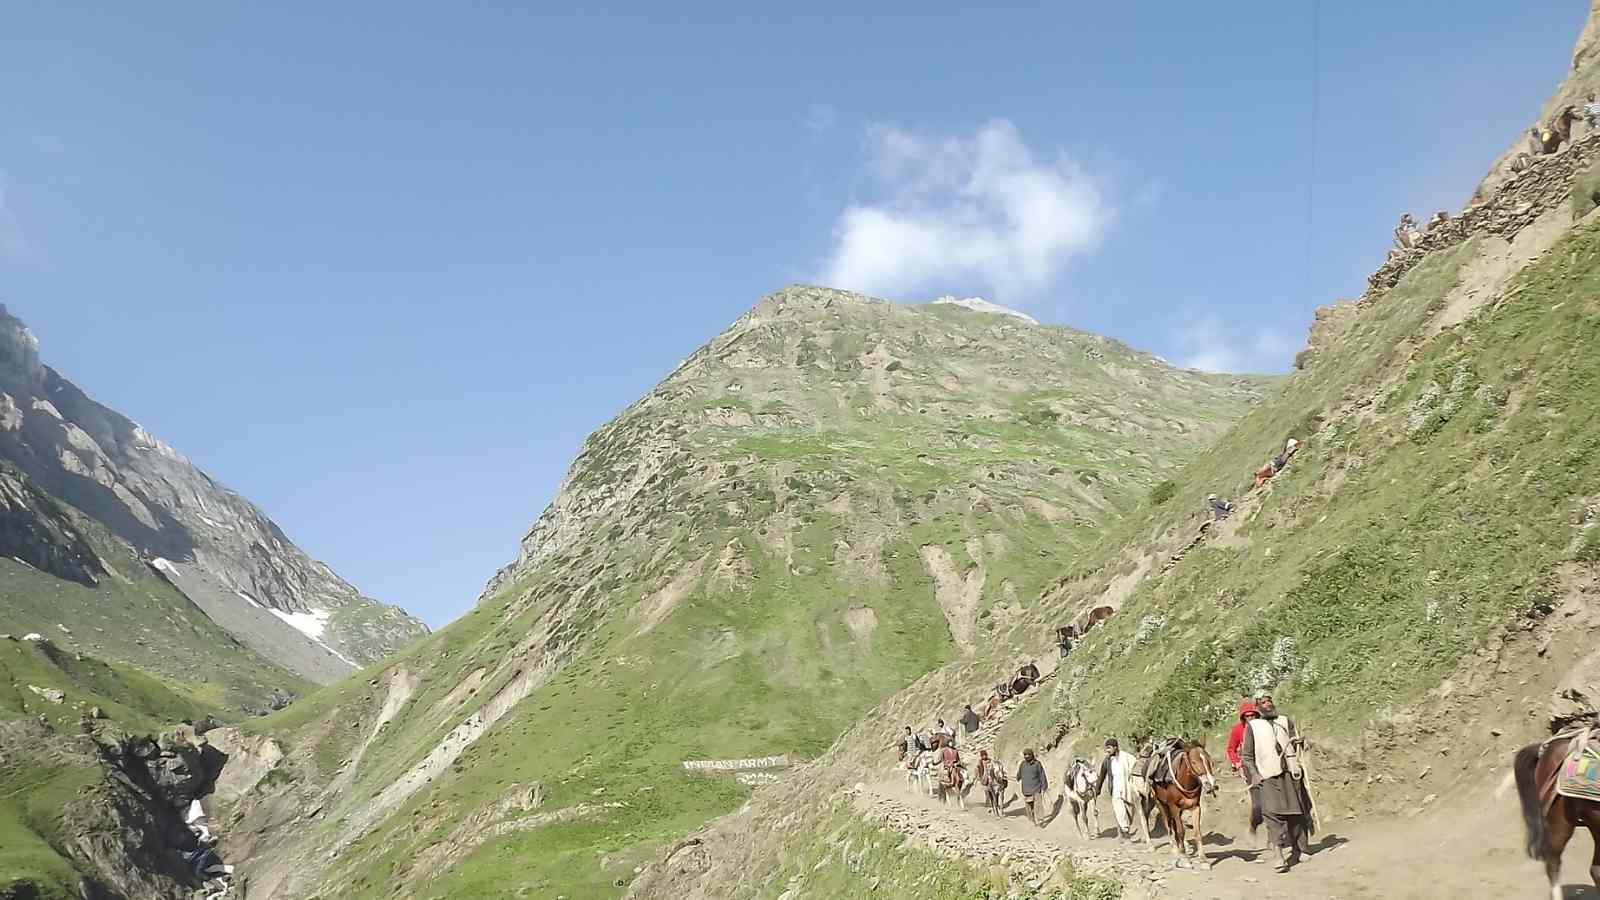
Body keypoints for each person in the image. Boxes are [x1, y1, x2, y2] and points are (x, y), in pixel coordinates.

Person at [1240, 694, 1316, 872]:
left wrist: (1299, 743)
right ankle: (1279, 855)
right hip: (1268, 776)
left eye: (1269, 701)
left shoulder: (1284, 720)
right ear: (1258, 707)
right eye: (1263, 703)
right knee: (1272, 815)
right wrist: (1254, 774)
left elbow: (1294, 743)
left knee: (1297, 812)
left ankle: (1301, 849)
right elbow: (1247, 756)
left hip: (1290, 773)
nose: (1267, 705)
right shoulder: (1253, 727)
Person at [1226, 700, 1264, 837]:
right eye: (1247, 716)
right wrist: (1236, 762)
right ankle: (1253, 825)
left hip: (1266, 764)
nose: (1250, 718)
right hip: (1249, 766)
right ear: (1243, 718)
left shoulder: (1264, 726)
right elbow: (1231, 749)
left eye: (1252, 715)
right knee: (1258, 804)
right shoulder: (1237, 730)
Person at [1096, 737, 1140, 841]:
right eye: (1106, 748)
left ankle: (1124, 830)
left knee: (1130, 811)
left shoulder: (1127, 757)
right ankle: (1125, 834)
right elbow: (1102, 775)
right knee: (1120, 811)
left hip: (1128, 788)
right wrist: (1098, 789)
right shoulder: (1107, 761)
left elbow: (1136, 765)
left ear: (1115, 747)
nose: (1107, 750)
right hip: (1115, 789)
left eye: (1109, 748)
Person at [1017, 748, 1049, 827]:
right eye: (1025, 755)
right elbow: (1019, 774)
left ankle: (1040, 820)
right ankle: (1032, 821)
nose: (1027, 756)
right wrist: (1017, 777)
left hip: (1036, 788)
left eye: (1028, 754)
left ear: (1032, 755)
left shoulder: (1037, 764)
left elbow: (1042, 775)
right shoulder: (1022, 764)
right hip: (1026, 790)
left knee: (1038, 805)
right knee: (1029, 808)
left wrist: (1044, 786)